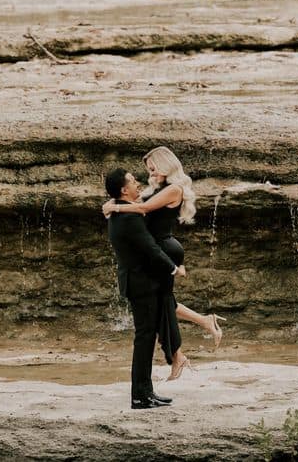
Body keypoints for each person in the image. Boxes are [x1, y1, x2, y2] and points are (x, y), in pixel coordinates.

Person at [103, 146, 226, 376]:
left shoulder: (174, 189)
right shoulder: (160, 187)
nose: (150, 174)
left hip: (165, 250)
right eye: (148, 170)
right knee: (163, 305)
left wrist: (112, 207)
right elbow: (137, 200)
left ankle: (180, 354)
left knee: (162, 305)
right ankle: (195, 335)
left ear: (165, 166)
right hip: (160, 249)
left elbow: (143, 208)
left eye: (153, 169)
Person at [105, 168, 186, 409]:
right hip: (141, 284)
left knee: (146, 337)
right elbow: (151, 248)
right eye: (132, 181)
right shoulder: (129, 218)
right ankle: (140, 396)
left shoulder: (119, 214)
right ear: (123, 189)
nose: (137, 183)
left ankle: (145, 392)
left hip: (137, 282)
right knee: (144, 339)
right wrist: (174, 269)